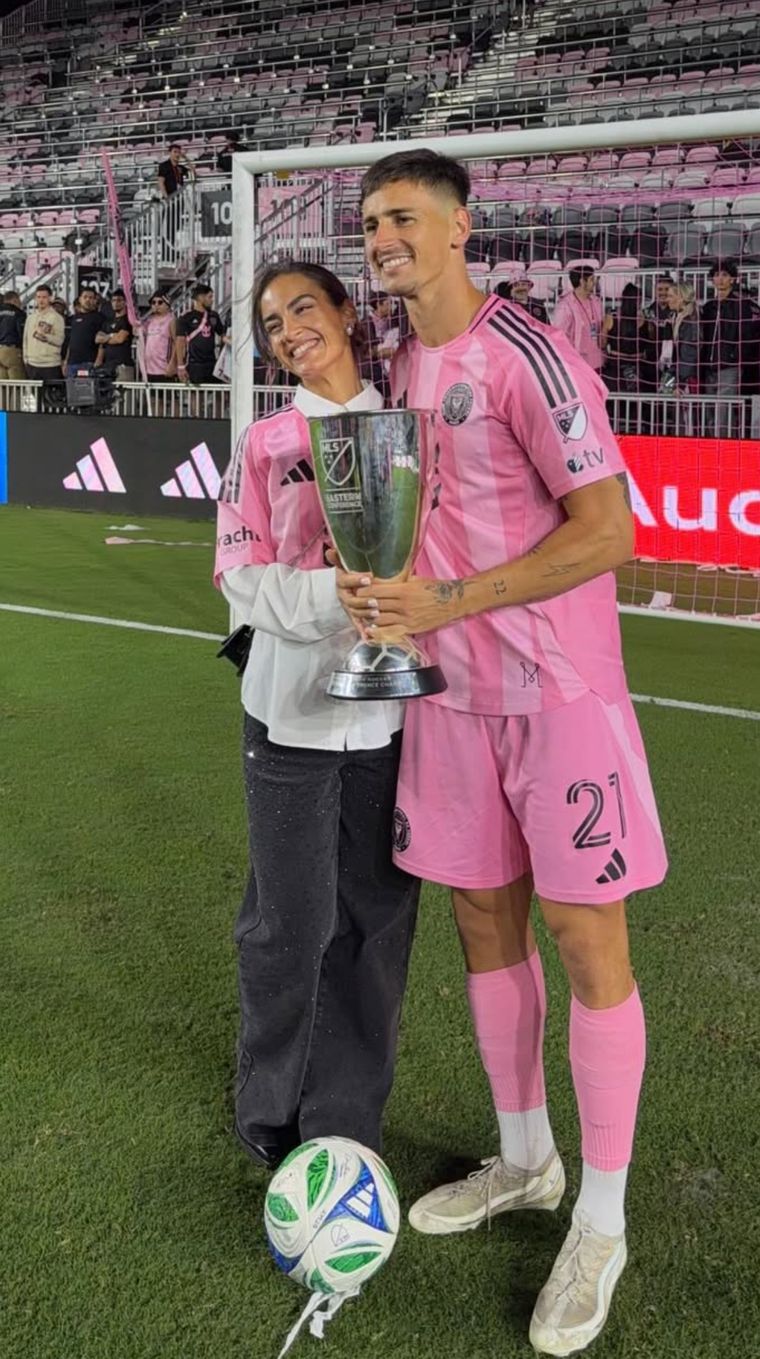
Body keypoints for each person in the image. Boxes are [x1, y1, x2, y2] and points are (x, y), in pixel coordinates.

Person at [339, 149, 667, 1358]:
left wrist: (452, 597)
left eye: (403, 217)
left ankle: (601, 1222)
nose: (383, 237)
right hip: (450, 697)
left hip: (557, 695)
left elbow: (609, 530)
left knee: (585, 937)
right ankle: (526, 1160)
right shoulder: (395, 365)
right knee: (482, 919)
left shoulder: (528, 352)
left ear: (459, 227)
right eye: (370, 222)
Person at [213, 260, 419, 1167]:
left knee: (375, 922)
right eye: (272, 322)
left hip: (390, 719)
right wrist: (330, 595)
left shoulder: (408, 428)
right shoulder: (263, 443)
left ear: (343, 311)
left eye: (304, 307)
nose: (291, 329)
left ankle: (345, 1113)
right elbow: (237, 574)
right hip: (288, 714)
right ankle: (270, 1104)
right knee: (288, 925)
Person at [700, 259, 759, 438]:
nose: (720, 278)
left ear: (733, 279)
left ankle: (726, 449)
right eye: (716, 275)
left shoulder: (742, 305)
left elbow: (748, 336)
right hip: (709, 368)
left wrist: (736, 357)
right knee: (710, 415)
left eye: (724, 275)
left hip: (729, 367)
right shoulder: (708, 307)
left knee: (723, 415)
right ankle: (712, 448)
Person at [552, 264, 608, 373]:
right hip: (577, 363)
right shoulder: (565, 305)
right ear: (582, 282)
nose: (595, 282)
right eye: (592, 279)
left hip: (597, 361)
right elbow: (559, 335)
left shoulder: (596, 301)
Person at [175, 284, 226, 385]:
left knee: (215, 391)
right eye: (209, 297)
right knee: (195, 392)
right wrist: (180, 366)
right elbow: (180, 341)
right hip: (194, 364)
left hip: (211, 363)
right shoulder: (186, 316)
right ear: (200, 297)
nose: (212, 300)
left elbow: (222, 334)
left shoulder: (214, 315)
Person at [23, 284, 66, 382]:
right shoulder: (30, 318)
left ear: (50, 298)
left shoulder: (57, 318)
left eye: (44, 297)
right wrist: (26, 359)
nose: (41, 300)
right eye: (38, 297)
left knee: (50, 392)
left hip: (50, 365)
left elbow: (60, 340)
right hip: (32, 364)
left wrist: (46, 337)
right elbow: (25, 339)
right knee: (33, 392)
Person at [61, 287, 106, 376]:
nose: (88, 300)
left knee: (86, 385)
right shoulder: (74, 318)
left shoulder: (99, 318)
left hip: (89, 362)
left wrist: (99, 359)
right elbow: (71, 341)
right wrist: (66, 361)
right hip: (72, 363)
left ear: (95, 300)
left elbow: (103, 342)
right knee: (71, 385)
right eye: (85, 297)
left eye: (91, 298)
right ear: (80, 299)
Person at [95, 289, 135, 381]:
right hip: (108, 365)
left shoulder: (128, 320)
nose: (116, 303)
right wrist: (112, 336)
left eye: (119, 300)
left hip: (123, 365)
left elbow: (120, 339)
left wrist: (107, 337)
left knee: (123, 390)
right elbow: (97, 339)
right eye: (113, 300)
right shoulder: (108, 322)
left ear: (125, 302)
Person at [141, 293, 177, 381]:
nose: (156, 305)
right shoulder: (148, 321)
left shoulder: (171, 320)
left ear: (167, 305)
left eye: (160, 302)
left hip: (164, 369)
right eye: (153, 302)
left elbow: (177, 343)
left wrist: (172, 363)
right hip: (149, 370)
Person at [0, 290, 26, 380]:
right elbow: (21, 333)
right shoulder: (19, 313)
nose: (20, 304)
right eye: (19, 301)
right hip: (13, 351)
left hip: (0, 350)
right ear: (14, 300)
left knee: (2, 383)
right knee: (17, 382)